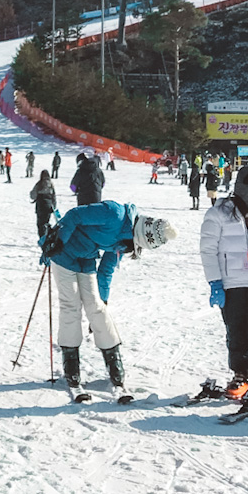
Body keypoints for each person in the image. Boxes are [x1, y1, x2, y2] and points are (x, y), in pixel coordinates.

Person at [39, 156, 175, 395]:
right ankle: (71, 365)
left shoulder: (125, 243)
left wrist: (102, 299)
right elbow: (74, 216)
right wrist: (56, 241)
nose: (131, 247)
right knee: (70, 306)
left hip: (87, 258)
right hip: (65, 252)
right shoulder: (113, 213)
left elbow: (106, 271)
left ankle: (114, 361)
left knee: (97, 309)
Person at [200, 165, 248, 395]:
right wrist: (215, 282)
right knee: (236, 330)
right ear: (247, 190)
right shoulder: (218, 213)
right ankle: (241, 374)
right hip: (232, 283)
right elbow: (208, 251)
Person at [30, 169, 56, 240]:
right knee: (46, 223)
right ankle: (47, 237)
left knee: (40, 224)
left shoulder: (39, 184)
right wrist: (54, 206)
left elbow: (33, 196)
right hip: (49, 207)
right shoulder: (51, 184)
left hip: (40, 207)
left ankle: (42, 238)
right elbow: (54, 197)